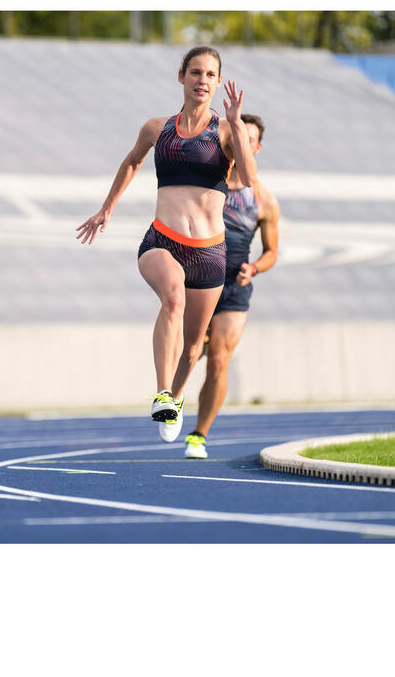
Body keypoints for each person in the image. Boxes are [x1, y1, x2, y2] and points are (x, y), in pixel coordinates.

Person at [76, 46, 257, 443]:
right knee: (173, 299)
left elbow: (247, 176)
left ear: (218, 81)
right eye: (195, 72)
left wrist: (238, 127)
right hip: (163, 240)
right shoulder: (158, 128)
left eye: (211, 75)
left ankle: (174, 400)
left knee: (193, 349)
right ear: (181, 76)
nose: (202, 81)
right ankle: (162, 393)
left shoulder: (226, 131)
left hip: (210, 253)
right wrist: (107, 208)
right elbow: (131, 161)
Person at [184, 114, 280, 459]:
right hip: (198, 279)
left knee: (219, 361)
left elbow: (271, 253)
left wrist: (253, 268)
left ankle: (198, 435)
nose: (242, 145)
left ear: (257, 148)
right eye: (237, 137)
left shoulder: (265, 200)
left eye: (249, 139)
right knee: (191, 352)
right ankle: (172, 397)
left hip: (234, 285)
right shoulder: (210, 183)